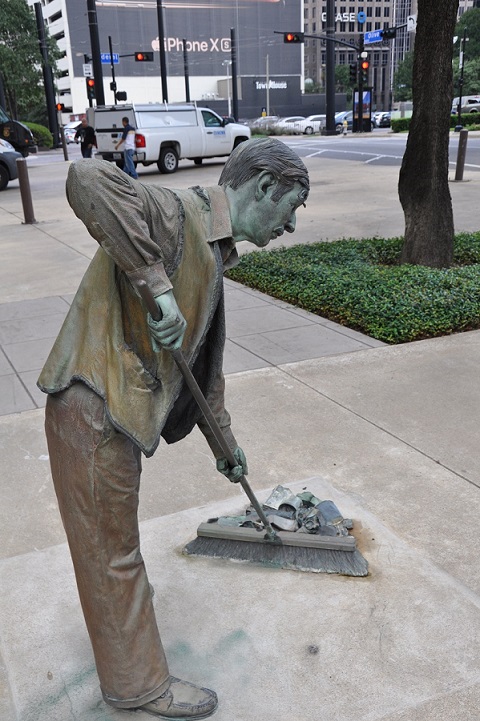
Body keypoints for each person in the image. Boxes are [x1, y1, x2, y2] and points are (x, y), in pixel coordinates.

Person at [37, 137, 309, 719]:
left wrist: (225, 444)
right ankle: (139, 687)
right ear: (265, 187)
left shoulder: (212, 253)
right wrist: (156, 287)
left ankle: (124, 625)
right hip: (92, 408)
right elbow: (87, 178)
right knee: (112, 558)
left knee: (113, 554)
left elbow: (205, 374)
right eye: (291, 208)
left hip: (112, 414)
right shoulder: (175, 214)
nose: (290, 226)